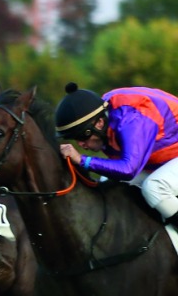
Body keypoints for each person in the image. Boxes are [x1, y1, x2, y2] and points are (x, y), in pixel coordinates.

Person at [55, 82, 178, 228]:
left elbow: (128, 169)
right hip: (166, 157)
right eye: (75, 139)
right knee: (108, 183)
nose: (81, 144)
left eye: (82, 136)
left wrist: (82, 160)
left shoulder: (131, 120)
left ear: (99, 123)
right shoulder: (103, 114)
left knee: (155, 187)